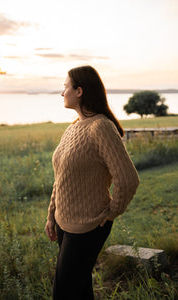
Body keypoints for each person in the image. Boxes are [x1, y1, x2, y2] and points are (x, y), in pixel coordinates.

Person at [45, 65, 139, 300]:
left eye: (65, 86)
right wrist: (51, 215)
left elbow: (127, 180)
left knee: (64, 292)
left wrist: (111, 213)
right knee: (80, 288)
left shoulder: (101, 127)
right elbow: (61, 177)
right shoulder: (73, 128)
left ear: (79, 91)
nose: (62, 92)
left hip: (88, 226)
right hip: (64, 224)